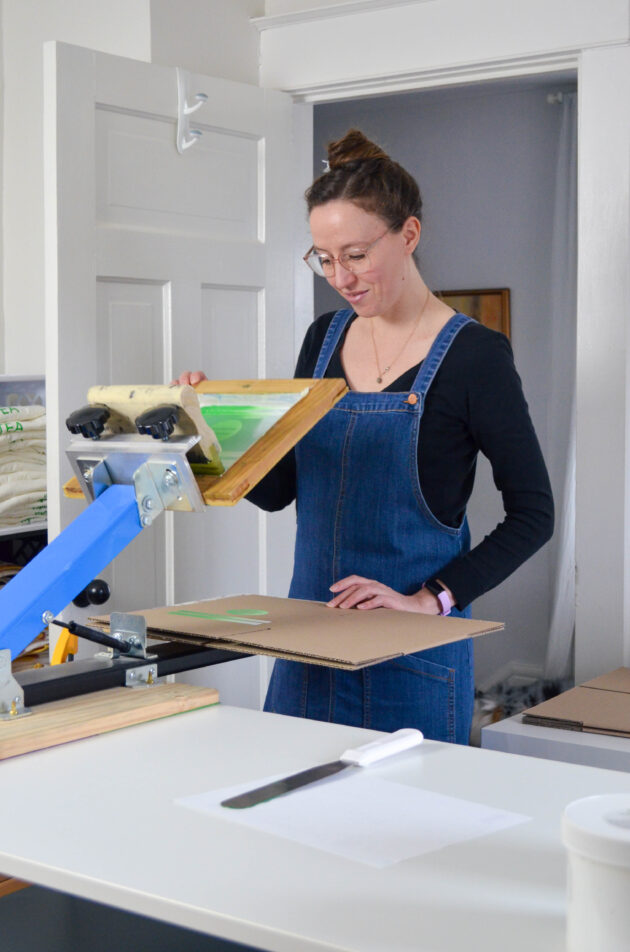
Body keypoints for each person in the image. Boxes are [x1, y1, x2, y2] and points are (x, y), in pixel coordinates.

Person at [178, 128, 554, 744]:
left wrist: (432, 599)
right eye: (324, 258)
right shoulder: (322, 340)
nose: (339, 277)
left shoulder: (474, 356)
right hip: (310, 642)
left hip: (412, 656)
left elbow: (534, 515)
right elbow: (278, 491)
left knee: (404, 830)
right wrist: (208, 426)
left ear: (408, 234)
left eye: (355, 255)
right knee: (292, 821)